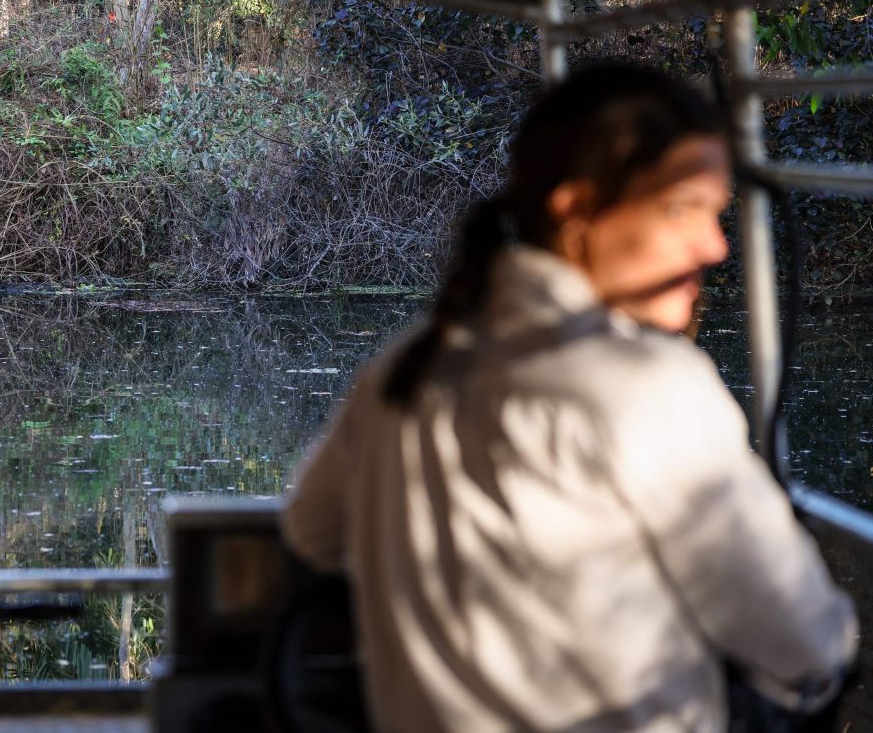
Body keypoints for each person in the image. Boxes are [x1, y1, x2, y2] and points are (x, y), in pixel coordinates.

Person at [281, 64, 857, 733]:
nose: (716, 245)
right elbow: (807, 643)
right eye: (682, 210)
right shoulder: (647, 386)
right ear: (577, 211)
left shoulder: (401, 371)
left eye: (718, 214)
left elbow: (311, 532)